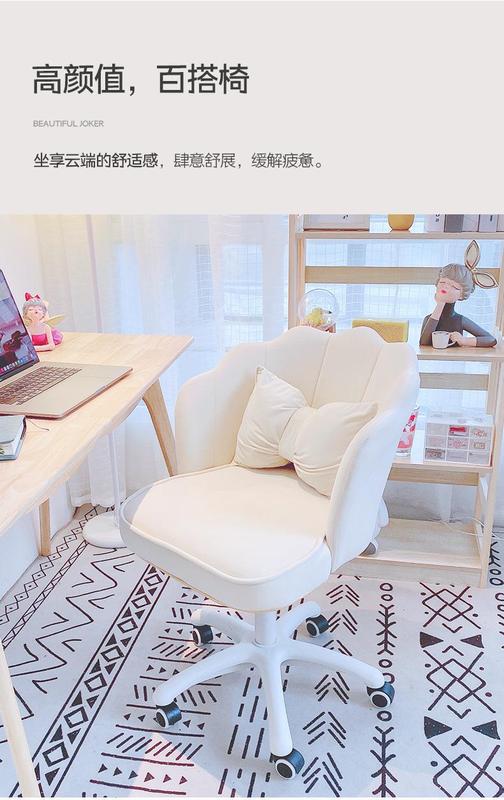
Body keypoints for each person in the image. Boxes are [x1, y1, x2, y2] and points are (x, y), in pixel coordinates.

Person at [420, 262, 497, 348]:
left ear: (461, 295)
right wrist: (440, 304)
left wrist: (464, 341)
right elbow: (424, 342)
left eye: (454, 286)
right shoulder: (428, 319)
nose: (446, 286)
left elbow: (491, 340)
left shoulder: (460, 320)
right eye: (442, 282)